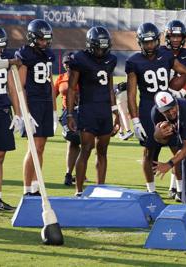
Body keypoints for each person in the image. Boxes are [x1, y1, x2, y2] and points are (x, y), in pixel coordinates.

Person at [126, 22, 186, 193]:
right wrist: (135, 121)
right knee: (149, 153)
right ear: (140, 42)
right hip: (148, 109)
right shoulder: (134, 61)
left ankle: (180, 191)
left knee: (177, 151)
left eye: (152, 42)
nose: (150, 46)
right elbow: (131, 95)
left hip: (168, 109)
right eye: (146, 42)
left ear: (158, 40)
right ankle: (151, 192)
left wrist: (182, 92)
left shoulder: (166, 55)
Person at [67, 26, 119, 196]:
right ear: (90, 44)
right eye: (98, 47)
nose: (101, 51)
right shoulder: (80, 59)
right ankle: (79, 190)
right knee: (86, 148)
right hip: (88, 109)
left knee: (103, 151)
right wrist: (69, 114)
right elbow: (72, 89)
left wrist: (115, 110)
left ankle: (100, 188)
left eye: (104, 47)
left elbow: (110, 87)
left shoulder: (111, 59)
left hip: (104, 109)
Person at [15, 19, 58, 196]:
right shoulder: (24, 54)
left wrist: (55, 109)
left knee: (41, 147)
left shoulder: (48, 54)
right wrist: (25, 111)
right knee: (33, 147)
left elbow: (50, 82)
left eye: (46, 39)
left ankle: (35, 185)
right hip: (33, 103)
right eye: (41, 39)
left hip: (46, 103)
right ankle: (27, 188)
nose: (45, 42)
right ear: (33, 38)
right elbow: (20, 85)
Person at [160, 19, 186, 201]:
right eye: (172, 35)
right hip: (164, 103)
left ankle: (178, 188)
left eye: (178, 36)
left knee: (180, 147)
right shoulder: (160, 53)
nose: (175, 39)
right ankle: (174, 186)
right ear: (167, 36)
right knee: (171, 146)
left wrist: (183, 93)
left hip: (180, 104)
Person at [0, 24, 23, 210]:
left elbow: (12, 87)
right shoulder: (4, 61)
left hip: (1, 111)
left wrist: (18, 113)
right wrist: (8, 62)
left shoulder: (4, 57)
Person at [54, 53, 80, 186]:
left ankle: (80, 171)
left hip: (83, 111)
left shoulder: (81, 76)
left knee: (87, 144)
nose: (68, 66)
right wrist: (53, 113)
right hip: (68, 113)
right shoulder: (60, 78)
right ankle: (69, 174)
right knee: (72, 141)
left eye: (70, 63)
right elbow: (53, 95)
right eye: (66, 63)